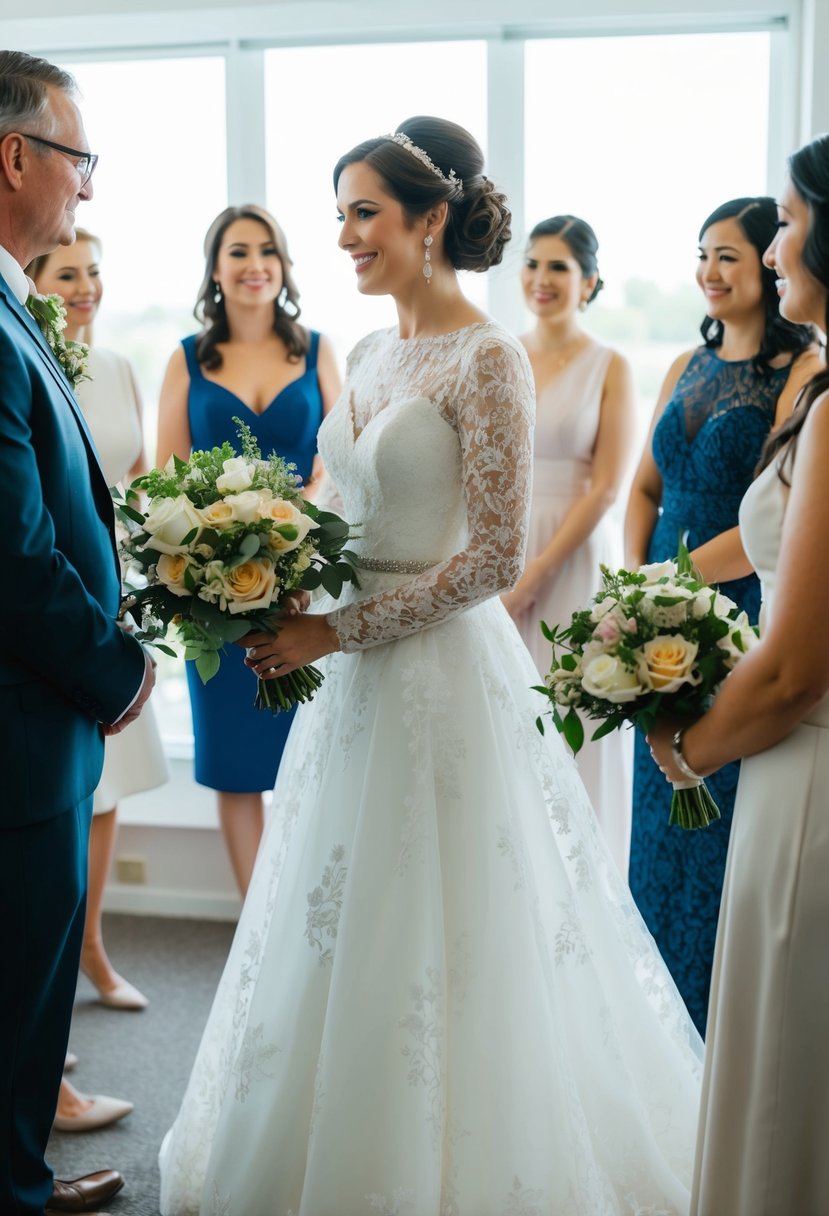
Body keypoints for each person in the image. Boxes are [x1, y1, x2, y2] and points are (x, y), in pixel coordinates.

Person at [159, 116, 702, 1216]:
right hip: (350, 681)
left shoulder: (485, 355)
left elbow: (494, 559)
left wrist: (331, 633)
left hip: (438, 675)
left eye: (364, 212)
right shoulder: (364, 354)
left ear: (431, 218)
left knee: (450, 912)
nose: (345, 235)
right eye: (342, 214)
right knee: (334, 906)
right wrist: (273, 566)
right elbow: (327, 498)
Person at [647, 133, 829, 1216]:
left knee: (780, 1089)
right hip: (782, 758)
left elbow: (796, 666)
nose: (775, 246)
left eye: (790, 223)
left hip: (799, 777)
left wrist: (682, 746)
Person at [0, 50, 154, 1215]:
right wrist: (116, 670)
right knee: (16, 973)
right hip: (22, 715)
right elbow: (11, 552)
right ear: (16, 157)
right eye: (78, 159)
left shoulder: (12, 297)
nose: (86, 191)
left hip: (36, 711)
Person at [623, 196, 818, 1035]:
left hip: (736, 607)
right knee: (657, 819)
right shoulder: (682, 366)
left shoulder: (802, 374)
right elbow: (642, 486)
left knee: (723, 813)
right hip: (655, 606)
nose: (710, 270)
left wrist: (671, 586)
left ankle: (714, 1029)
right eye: (702, 254)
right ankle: (652, 1031)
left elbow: (771, 518)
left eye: (729, 254)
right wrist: (634, 592)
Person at [28, 230, 170, 1133]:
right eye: (66, 273)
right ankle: (43, 1012)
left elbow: (138, 481)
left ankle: (90, 954)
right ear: (37, 284)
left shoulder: (117, 366)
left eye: (92, 273)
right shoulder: (29, 353)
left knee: (105, 795)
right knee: (58, 798)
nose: (84, 287)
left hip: (116, 600)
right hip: (58, 610)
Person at [156, 204, 341, 895]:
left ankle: (304, 914)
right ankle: (253, 928)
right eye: (237, 251)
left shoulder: (319, 351)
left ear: (284, 265)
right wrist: (200, 564)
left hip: (307, 582)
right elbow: (165, 478)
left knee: (311, 756)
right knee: (235, 765)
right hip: (214, 592)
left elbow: (341, 464)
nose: (254, 264)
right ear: (215, 268)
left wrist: (299, 530)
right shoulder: (186, 359)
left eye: (267, 250)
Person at [504, 214, 636, 874]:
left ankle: (588, 883)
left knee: (576, 712)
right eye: (531, 263)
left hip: (576, 555)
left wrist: (535, 574)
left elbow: (609, 485)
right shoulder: (500, 353)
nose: (540, 278)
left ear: (588, 281)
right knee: (508, 713)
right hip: (501, 544)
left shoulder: (608, 365)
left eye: (557, 266)